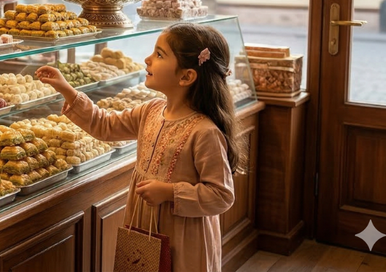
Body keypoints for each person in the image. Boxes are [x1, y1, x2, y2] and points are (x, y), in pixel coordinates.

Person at [35, 23, 241, 272]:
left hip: (185, 236)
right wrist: (66, 89)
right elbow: (104, 125)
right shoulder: (151, 110)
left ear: (186, 76)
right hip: (143, 225)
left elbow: (221, 196)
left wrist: (169, 192)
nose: (147, 59)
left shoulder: (204, 132)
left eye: (159, 54)